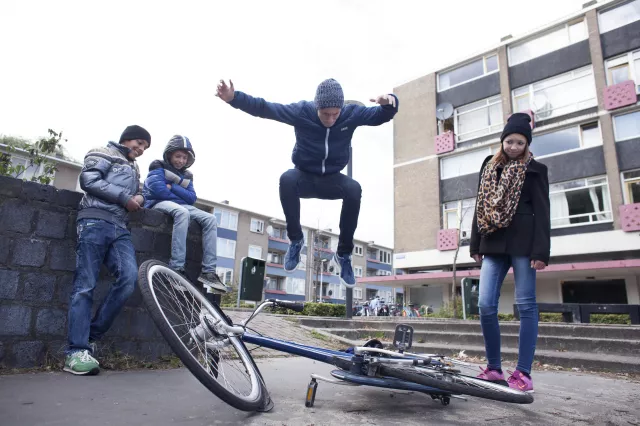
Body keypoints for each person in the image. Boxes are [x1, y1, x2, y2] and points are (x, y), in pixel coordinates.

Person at [216, 78, 398, 288]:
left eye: (334, 114)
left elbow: (381, 116)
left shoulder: (351, 113)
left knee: (353, 189)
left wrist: (390, 101)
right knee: (287, 178)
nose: (330, 119)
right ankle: (296, 240)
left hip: (332, 179)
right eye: (325, 114)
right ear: (316, 107)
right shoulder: (302, 112)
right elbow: (265, 108)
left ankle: (343, 255)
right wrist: (233, 98)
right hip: (305, 176)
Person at [469, 113, 550, 393]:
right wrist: (475, 244)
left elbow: (542, 211)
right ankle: (494, 368)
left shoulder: (536, 170)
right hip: (492, 242)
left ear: (526, 143)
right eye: (509, 141)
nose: (513, 147)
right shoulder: (489, 167)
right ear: (502, 141)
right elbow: (480, 205)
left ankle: (523, 373)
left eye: (519, 142)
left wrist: (541, 251)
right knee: (485, 304)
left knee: (526, 305)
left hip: (524, 245)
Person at [65, 125, 151, 375]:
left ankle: (90, 336)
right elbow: (89, 180)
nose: (141, 149)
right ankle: (75, 351)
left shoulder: (134, 167)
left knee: (128, 279)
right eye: (139, 143)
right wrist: (126, 199)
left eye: (145, 147)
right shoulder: (102, 151)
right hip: (94, 220)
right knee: (85, 285)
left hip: (120, 227)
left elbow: (140, 193)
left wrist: (139, 199)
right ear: (126, 139)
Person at [142, 135, 228, 292]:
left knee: (210, 219)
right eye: (177, 156)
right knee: (182, 213)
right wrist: (179, 193)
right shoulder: (158, 166)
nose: (181, 160)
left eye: (184, 157)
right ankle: (176, 268)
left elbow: (192, 198)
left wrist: (173, 187)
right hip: (158, 203)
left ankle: (208, 272)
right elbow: (159, 191)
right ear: (169, 155)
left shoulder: (187, 176)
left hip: (181, 204)